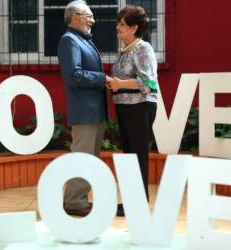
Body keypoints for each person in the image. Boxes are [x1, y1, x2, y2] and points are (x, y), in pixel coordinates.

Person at [58, 0, 110, 216]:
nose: (93, 20)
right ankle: (73, 202)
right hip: (85, 111)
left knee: (89, 158)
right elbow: (74, 76)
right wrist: (103, 78)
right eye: (88, 16)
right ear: (74, 17)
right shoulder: (69, 40)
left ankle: (79, 200)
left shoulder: (82, 39)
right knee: (82, 157)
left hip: (94, 111)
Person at [107, 5, 158, 216]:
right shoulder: (123, 51)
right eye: (118, 23)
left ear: (134, 28)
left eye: (122, 24)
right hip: (125, 107)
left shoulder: (143, 48)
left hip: (140, 107)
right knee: (129, 155)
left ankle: (139, 202)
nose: (117, 27)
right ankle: (131, 201)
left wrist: (120, 83)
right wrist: (113, 84)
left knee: (138, 155)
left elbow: (149, 83)